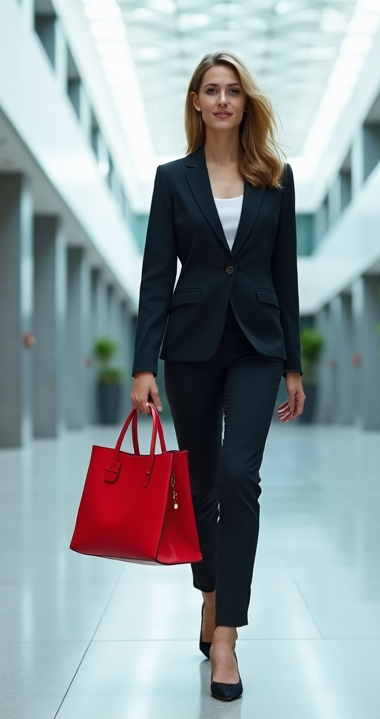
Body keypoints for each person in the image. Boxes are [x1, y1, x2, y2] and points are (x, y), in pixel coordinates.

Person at [130, 50, 305, 702]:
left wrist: (293, 363)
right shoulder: (172, 180)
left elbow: (284, 276)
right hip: (192, 346)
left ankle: (226, 633)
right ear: (197, 103)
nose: (224, 100)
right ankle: (208, 591)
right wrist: (144, 363)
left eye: (233, 90)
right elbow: (155, 276)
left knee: (239, 477)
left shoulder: (276, 178)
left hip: (258, 346)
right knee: (199, 485)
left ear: (244, 101)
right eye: (212, 90)